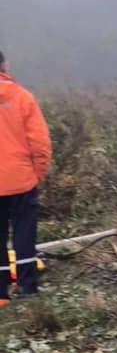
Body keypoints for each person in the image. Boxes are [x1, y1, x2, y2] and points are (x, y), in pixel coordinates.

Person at [0, 51, 52, 306]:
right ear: (4, 66)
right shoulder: (22, 97)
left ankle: (1, 293)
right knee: (24, 234)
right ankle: (28, 287)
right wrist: (37, 174)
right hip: (21, 181)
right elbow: (40, 144)